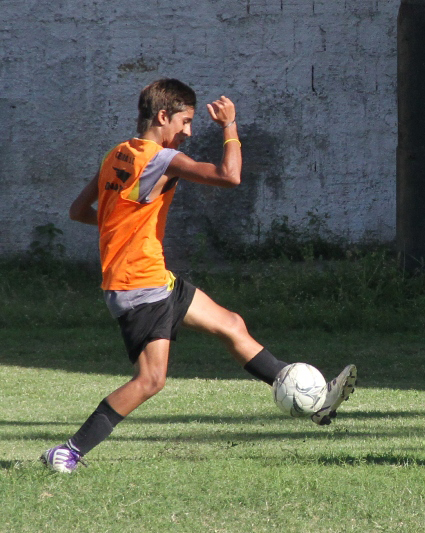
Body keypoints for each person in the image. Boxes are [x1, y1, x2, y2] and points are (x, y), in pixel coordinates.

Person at [41, 78, 357, 473]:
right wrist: (229, 126)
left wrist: (121, 229)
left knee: (230, 324)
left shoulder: (118, 153)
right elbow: (230, 176)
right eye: (185, 121)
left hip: (155, 278)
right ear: (162, 116)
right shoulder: (161, 159)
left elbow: (78, 210)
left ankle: (313, 402)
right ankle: (69, 451)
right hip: (141, 288)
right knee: (151, 381)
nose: (189, 131)